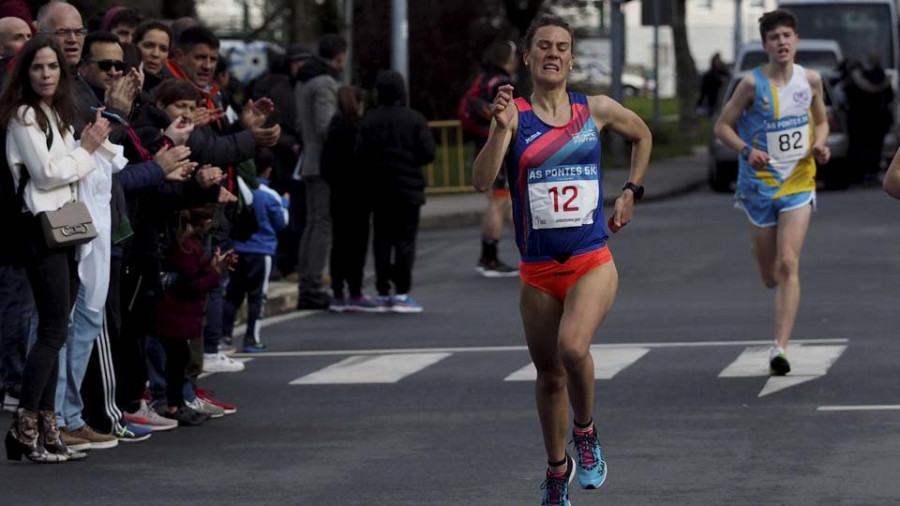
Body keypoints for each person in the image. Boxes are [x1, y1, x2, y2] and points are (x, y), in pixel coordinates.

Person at [472, 15, 652, 505]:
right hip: (537, 272)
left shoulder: (594, 110)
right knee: (549, 374)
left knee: (573, 349)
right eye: (544, 46)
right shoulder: (516, 117)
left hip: (591, 258)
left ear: (572, 58)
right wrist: (497, 130)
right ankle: (557, 470)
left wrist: (631, 191)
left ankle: (586, 433)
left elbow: (642, 135)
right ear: (527, 58)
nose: (553, 53)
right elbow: (482, 182)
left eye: (562, 47)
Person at [1, 36, 114, 463]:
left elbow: (74, 164)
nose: (46, 74)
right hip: (41, 230)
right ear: (25, 73)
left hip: (64, 227)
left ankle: (47, 428)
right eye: (37, 68)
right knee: (52, 330)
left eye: (52, 67)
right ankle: (24, 428)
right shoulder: (24, 115)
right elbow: (49, 175)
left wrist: (87, 144)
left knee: (58, 327)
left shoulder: (54, 112)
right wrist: (85, 149)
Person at [714, 10, 831, 376]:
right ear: (765, 45)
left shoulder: (811, 80)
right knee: (770, 275)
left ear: (796, 41)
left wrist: (821, 145)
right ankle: (762, 252)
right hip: (759, 186)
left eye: (787, 36)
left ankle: (779, 347)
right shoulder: (751, 84)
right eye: (774, 37)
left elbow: (822, 121)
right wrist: (748, 150)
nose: (781, 42)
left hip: (798, 181)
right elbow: (722, 127)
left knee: (789, 263)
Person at [356, 71, 436, 313]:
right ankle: (402, 291)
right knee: (405, 242)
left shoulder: (369, 119)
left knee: (382, 240)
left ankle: (382, 291)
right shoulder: (414, 119)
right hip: (408, 189)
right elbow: (428, 153)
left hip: (378, 188)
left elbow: (359, 153)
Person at [155, 204, 235, 426]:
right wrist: (215, 272)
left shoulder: (187, 245)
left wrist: (213, 266)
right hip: (178, 313)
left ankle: (178, 402)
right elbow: (192, 283)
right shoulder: (185, 248)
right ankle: (174, 404)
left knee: (179, 359)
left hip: (181, 313)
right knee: (176, 360)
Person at [295, 33, 347, 310]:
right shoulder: (325, 82)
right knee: (321, 225)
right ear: (340, 56)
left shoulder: (304, 80)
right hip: (323, 162)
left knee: (313, 223)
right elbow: (326, 125)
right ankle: (313, 284)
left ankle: (308, 281)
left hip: (310, 159)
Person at [462, 40, 520, 278]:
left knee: (504, 203)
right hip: (499, 147)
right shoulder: (503, 83)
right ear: (507, 59)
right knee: (497, 202)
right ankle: (489, 258)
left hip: (483, 145)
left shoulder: (483, 79)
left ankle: (527, 251)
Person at [223, 149, 289, 350]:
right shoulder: (271, 195)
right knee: (257, 297)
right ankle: (252, 338)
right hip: (261, 252)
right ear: (268, 170)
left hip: (237, 250)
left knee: (232, 295)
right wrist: (285, 203)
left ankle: (223, 336)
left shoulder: (239, 188)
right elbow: (282, 222)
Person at [322, 85, 376, 312]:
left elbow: (326, 165)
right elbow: (367, 160)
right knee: (358, 243)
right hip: (359, 193)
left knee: (339, 243)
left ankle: (337, 290)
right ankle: (354, 289)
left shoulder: (333, 130)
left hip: (338, 193)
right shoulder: (360, 130)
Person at [843, 54, 894, 184]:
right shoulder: (882, 76)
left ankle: (862, 174)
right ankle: (873, 172)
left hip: (861, 121)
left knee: (862, 148)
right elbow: (890, 97)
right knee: (876, 148)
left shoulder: (857, 77)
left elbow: (849, 97)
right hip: (879, 121)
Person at [133, 19, 172, 92]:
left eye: (163, 49)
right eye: (149, 46)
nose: (156, 54)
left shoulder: (172, 91)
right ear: (135, 46)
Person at [697, 52, 730, 116]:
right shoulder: (709, 75)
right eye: (716, 61)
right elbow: (703, 91)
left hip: (722, 99)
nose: (717, 63)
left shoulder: (724, 72)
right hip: (713, 100)